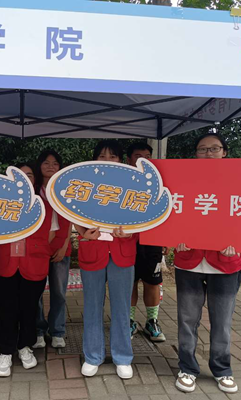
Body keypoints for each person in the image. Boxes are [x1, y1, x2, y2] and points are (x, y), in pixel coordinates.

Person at [174, 133, 241, 394]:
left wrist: (240, 245)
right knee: (187, 319)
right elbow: (172, 213)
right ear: (195, 153)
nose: (208, 153)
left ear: (224, 152)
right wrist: (174, 239)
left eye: (214, 148)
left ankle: (222, 369)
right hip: (189, 260)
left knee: (222, 320)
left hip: (226, 262)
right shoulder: (183, 180)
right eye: (202, 149)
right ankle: (187, 367)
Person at [75, 140, 137, 380]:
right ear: (94, 160)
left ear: (121, 160)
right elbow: (72, 212)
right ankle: (93, 355)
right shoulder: (84, 185)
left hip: (122, 251)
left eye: (113, 156)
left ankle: (123, 357)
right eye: (102, 156)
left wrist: (131, 232)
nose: (108, 160)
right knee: (92, 305)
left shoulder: (132, 185)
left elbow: (143, 217)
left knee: (122, 307)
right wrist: (83, 233)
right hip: (93, 250)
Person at [0, 162, 57, 377]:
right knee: (7, 308)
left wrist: (34, 248)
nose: (24, 178)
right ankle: (5, 351)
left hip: (34, 264)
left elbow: (51, 233)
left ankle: (24, 346)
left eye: (28, 175)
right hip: (7, 263)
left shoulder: (45, 206)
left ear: (34, 179)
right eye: (19, 175)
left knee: (29, 308)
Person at [126, 142, 166, 342]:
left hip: (152, 240)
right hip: (127, 242)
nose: (143, 160)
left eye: (147, 157)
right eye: (138, 156)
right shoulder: (121, 180)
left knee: (153, 282)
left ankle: (152, 322)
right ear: (129, 160)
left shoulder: (159, 181)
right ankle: (129, 321)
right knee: (130, 282)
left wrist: (167, 237)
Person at [33, 150, 72, 349]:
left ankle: (57, 331)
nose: (50, 166)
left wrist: (64, 246)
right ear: (39, 165)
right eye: (46, 162)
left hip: (61, 249)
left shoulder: (65, 190)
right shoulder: (33, 190)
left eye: (55, 163)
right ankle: (39, 330)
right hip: (37, 249)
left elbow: (72, 219)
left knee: (59, 292)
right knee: (36, 292)